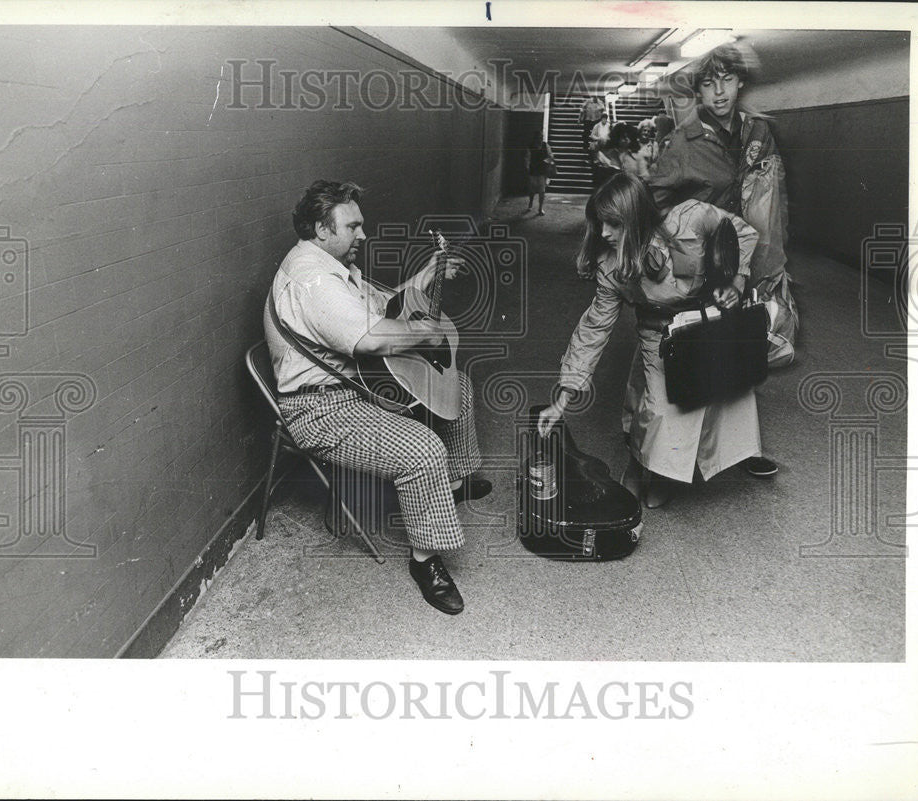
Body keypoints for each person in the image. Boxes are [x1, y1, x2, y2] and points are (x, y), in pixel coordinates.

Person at [263, 180, 491, 615]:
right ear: (321, 229)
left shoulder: (330, 266)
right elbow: (370, 339)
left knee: (456, 385)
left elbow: (385, 307)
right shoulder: (313, 279)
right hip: (320, 409)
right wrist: (425, 332)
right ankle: (426, 562)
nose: (362, 236)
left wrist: (426, 276)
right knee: (422, 449)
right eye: (354, 227)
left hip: (352, 387)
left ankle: (455, 482)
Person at [537, 173, 765, 509]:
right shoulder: (610, 264)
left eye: (613, 224)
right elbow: (595, 327)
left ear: (637, 218)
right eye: (600, 224)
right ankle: (639, 464)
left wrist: (735, 281)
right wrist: (563, 396)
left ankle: (663, 474)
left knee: (719, 398)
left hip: (707, 325)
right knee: (661, 412)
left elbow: (744, 233)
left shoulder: (692, 217)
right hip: (658, 334)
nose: (604, 234)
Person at [645, 43, 797, 477]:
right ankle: (659, 466)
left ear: (740, 82)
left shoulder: (757, 133)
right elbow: (653, 207)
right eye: (708, 83)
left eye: (726, 80)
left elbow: (768, 199)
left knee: (734, 350)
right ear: (698, 92)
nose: (719, 92)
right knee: (681, 354)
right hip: (694, 260)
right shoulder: (682, 142)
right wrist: (677, 248)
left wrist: (765, 263)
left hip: (743, 255)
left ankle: (734, 452)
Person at [524, 129, 554, 216]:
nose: (540, 139)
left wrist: (547, 163)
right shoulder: (530, 147)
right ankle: (530, 203)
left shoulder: (546, 146)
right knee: (532, 190)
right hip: (533, 171)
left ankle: (540, 208)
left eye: (541, 137)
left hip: (542, 172)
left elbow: (551, 156)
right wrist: (527, 168)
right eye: (538, 137)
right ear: (535, 138)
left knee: (542, 191)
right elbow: (527, 158)